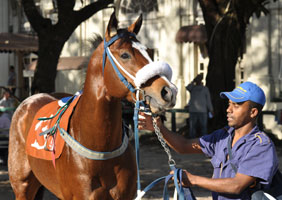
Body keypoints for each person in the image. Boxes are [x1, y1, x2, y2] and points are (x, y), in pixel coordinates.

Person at [139, 81, 279, 200]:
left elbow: (237, 185)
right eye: (229, 104)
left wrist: (193, 180)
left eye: (236, 105)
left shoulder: (261, 146)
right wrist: (159, 128)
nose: (228, 109)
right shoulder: (222, 136)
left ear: (253, 112)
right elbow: (183, 146)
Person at [185, 73, 213, 138]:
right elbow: (187, 87)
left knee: (203, 128)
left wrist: (211, 109)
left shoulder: (205, 89)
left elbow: (208, 100)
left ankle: (205, 142)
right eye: (197, 78)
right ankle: (192, 142)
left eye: (199, 78)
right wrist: (193, 80)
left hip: (203, 111)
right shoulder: (192, 88)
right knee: (192, 129)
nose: (198, 80)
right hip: (193, 111)